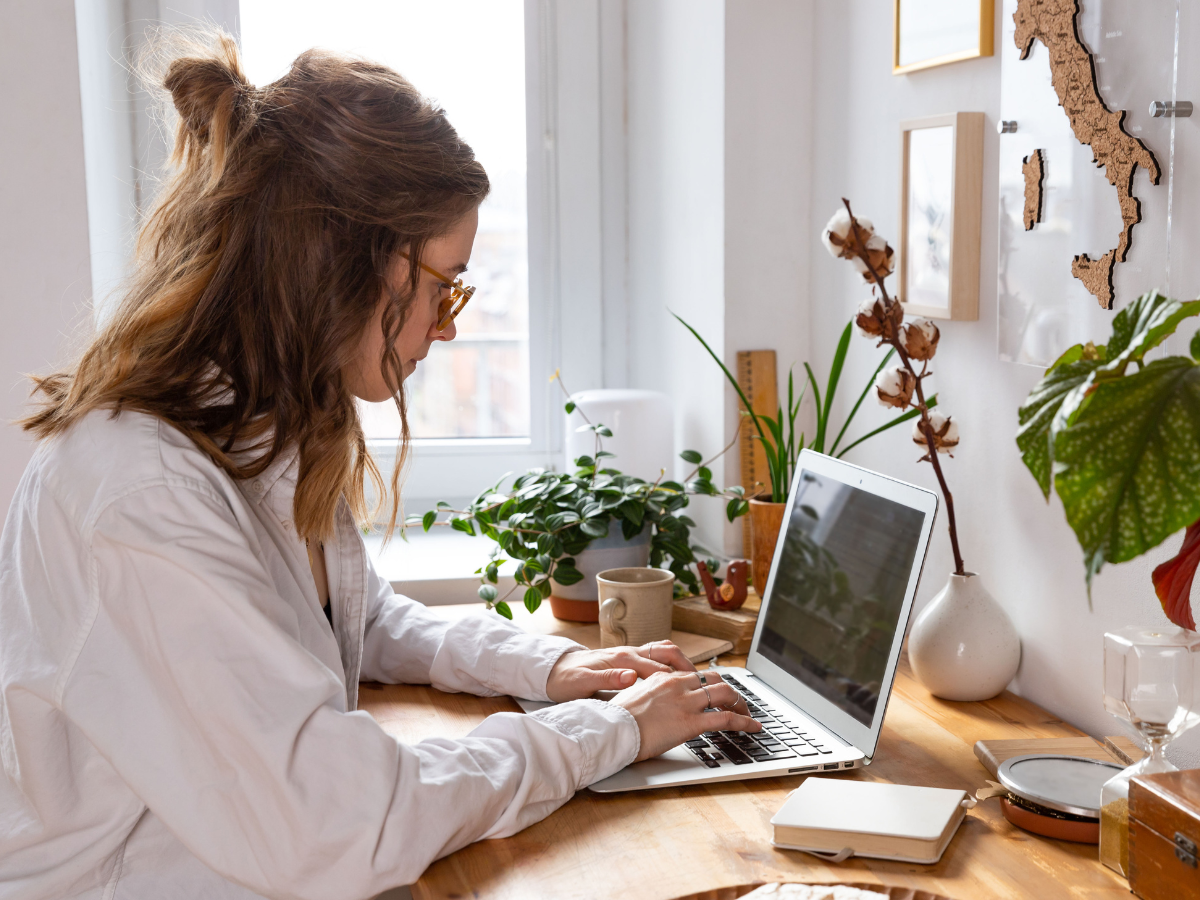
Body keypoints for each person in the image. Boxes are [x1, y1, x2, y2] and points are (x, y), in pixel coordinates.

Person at [0, 32, 758, 900]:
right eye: (446, 286)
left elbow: (349, 620)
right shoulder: (139, 496)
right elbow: (345, 825)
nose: (450, 326)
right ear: (345, 262)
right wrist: (602, 733)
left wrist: (544, 670)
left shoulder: (262, 425)